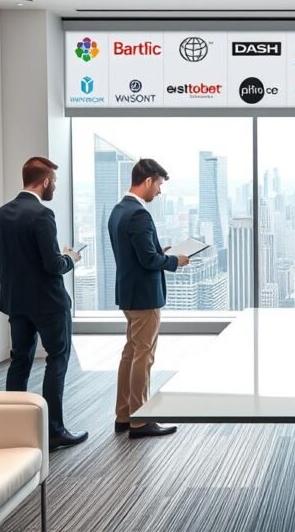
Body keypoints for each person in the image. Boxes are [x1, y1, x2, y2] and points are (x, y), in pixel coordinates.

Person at [0, 156, 87, 452]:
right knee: (57, 360)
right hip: (49, 304)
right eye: (54, 182)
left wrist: (15, 287)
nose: (54, 187)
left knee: (20, 360)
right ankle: (54, 431)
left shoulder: (0, 214)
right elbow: (53, 265)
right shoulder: (42, 215)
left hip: (16, 302)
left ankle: (13, 428)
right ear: (44, 181)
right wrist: (71, 257)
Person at [109, 158, 189, 439]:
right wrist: (174, 260)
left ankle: (123, 415)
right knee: (143, 356)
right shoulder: (139, 214)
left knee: (130, 354)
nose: (159, 191)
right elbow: (148, 260)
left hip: (128, 293)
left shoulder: (119, 210)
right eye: (158, 185)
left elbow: (136, 253)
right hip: (144, 297)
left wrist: (159, 250)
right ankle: (140, 420)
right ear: (148, 181)